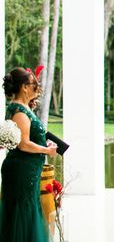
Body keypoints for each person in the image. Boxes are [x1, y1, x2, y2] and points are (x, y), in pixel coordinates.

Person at [0, 67, 58, 242]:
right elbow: (24, 144)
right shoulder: (19, 111)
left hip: (28, 169)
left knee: (27, 211)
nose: (38, 87)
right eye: (35, 84)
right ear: (24, 87)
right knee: (22, 214)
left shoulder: (24, 107)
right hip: (22, 171)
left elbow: (28, 138)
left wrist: (43, 143)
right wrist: (47, 150)